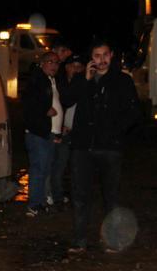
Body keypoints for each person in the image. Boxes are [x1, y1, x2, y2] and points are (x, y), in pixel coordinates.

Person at [62, 40, 141, 253]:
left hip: (110, 148)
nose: (102, 60)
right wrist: (85, 80)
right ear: (91, 58)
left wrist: (115, 131)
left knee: (111, 197)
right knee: (80, 196)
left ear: (111, 55)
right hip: (82, 147)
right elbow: (67, 99)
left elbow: (134, 112)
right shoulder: (82, 79)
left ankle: (113, 240)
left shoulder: (122, 80)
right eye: (97, 55)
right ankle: (80, 240)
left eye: (105, 55)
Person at [21, 50, 61, 217]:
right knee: (39, 169)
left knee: (45, 169)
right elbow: (29, 102)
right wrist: (45, 110)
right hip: (38, 133)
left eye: (56, 62)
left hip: (49, 133)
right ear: (43, 63)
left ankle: (41, 201)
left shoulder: (51, 80)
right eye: (50, 62)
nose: (54, 65)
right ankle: (34, 204)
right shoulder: (37, 79)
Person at [48, 54, 85, 209]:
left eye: (79, 66)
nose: (76, 69)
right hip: (61, 132)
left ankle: (71, 195)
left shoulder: (85, 84)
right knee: (57, 166)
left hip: (77, 133)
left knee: (76, 166)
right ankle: (55, 195)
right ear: (67, 68)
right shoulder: (60, 85)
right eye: (72, 66)